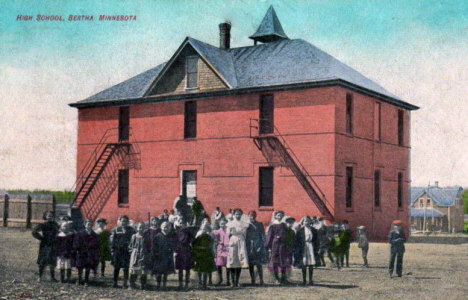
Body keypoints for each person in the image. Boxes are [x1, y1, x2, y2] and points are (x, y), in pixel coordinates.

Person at [32, 211, 60, 282]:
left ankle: (52, 277)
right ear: (45, 217)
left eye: (51, 216)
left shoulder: (55, 224)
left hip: (53, 244)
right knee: (43, 260)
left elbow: (59, 231)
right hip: (45, 244)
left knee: (52, 261)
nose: (50, 217)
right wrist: (41, 238)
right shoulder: (43, 225)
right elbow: (34, 232)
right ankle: (40, 277)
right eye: (48, 216)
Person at [110, 215, 135, 288]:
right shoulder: (116, 230)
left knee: (126, 268)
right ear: (120, 222)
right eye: (122, 221)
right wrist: (112, 250)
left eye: (125, 221)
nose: (124, 223)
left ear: (128, 222)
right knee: (116, 267)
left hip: (126, 252)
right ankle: (115, 283)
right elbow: (113, 241)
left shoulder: (131, 230)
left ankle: (125, 283)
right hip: (117, 251)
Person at [266, 211, 290, 285]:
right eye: (278, 215)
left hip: (283, 246)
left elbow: (287, 236)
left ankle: (283, 278)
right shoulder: (272, 226)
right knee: (275, 262)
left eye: (281, 216)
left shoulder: (284, 225)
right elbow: (269, 237)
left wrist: (288, 245)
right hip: (275, 246)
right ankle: (277, 279)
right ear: (275, 216)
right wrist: (269, 247)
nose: (279, 217)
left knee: (283, 262)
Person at [226, 208, 249, 287]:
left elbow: (245, 234)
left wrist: (243, 242)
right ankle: (232, 281)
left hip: (241, 240)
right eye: (236, 214)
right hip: (233, 240)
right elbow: (228, 234)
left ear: (241, 215)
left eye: (239, 214)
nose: (238, 215)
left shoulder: (244, 223)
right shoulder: (230, 224)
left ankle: (237, 280)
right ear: (234, 215)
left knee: (239, 259)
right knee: (233, 259)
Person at [294, 216, 319, 285]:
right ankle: (304, 280)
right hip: (303, 247)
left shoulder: (314, 230)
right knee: (304, 264)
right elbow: (297, 241)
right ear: (303, 222)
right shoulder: (300, 231)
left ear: (310, 222)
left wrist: (317, 248)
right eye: (305, 221)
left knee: (311, 264)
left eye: (308, 221)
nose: (306, 223)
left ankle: (310, 280)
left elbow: (316, 240)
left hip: (311, 247)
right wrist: (297, 250)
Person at [74, 220, 100, 286]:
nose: (89, 226)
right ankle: (79, 279)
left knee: (88, 266)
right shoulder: (80, 233)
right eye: (88, 224)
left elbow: (96, 244)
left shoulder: (95, 235)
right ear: (85, 225)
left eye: (90, 225)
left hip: (90, 252)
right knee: (80, 266)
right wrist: (78, 249)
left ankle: (86, 280)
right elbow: (76, 242)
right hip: (81, 252)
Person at [192, 222, 216, 290]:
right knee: (200, 269)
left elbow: (212, 244)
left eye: (207, 225)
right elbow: (194, 243)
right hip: (200, 254)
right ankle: (200, 283)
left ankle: (205, 284)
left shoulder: (210, 234)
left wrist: (213, 251)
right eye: (204, 226)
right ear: (202, 226)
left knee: (206, 269)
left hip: (208, 254)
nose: (205, 227)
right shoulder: (199, 233)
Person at [152, 221, 175, 290]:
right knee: (159, 272)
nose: (166, 229)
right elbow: (154, 247)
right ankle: (158, 285)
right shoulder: (158, 236)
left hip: (167, 256)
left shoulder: (170, 237)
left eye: (167, 227)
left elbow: (172, 246)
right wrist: (155, 254)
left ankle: (164, 285)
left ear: (170, 228)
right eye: (164, 227)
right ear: (161, 228)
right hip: (159, 256)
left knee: (165, 272)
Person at [246, 210, 267, 286]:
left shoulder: (259, 224)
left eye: (253, 215)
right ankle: (253, 280)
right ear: (248, 216)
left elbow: (262, 235)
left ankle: (261, 280)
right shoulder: (246, 225)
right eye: (250, 215)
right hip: (249, 246)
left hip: (257, 244)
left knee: (259, 264)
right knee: (251, 264)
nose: (252, 217)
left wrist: (261, 245)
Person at [174, 219, 194, 290]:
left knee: (187, 269)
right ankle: (180, 284)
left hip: (187, 250)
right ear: (179, 223)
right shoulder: (176, 232)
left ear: (186, 223)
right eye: (181, 222)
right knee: (180, 269)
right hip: (179, 251)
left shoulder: (189, 232)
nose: (182, 224)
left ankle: (186, 284)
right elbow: (175, 242)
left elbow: (192, 240)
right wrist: (175, 251)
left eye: (183, 223)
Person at [128, 223, 149, 290]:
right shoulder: (134, 236)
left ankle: (143, 285)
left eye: (142, 227)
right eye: (140, 227)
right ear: (137, 228)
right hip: (135, 254)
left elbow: (148, 246)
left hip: (143, 254)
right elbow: (131, 245)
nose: (141, 229)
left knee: (143, 270)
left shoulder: (146, 236)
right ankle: (132, 284)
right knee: (134, 269)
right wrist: (133, 252)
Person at [213, 218, 230, 286]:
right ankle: (220, 279)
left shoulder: (228, 232)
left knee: (227, 265)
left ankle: (228, 280)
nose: (222, 225)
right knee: (219, 264)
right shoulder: (217, 232)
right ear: (219, 224)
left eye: (224, 223)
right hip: (220, 248)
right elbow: (215, 239)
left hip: (227, 248)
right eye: (221, 224)